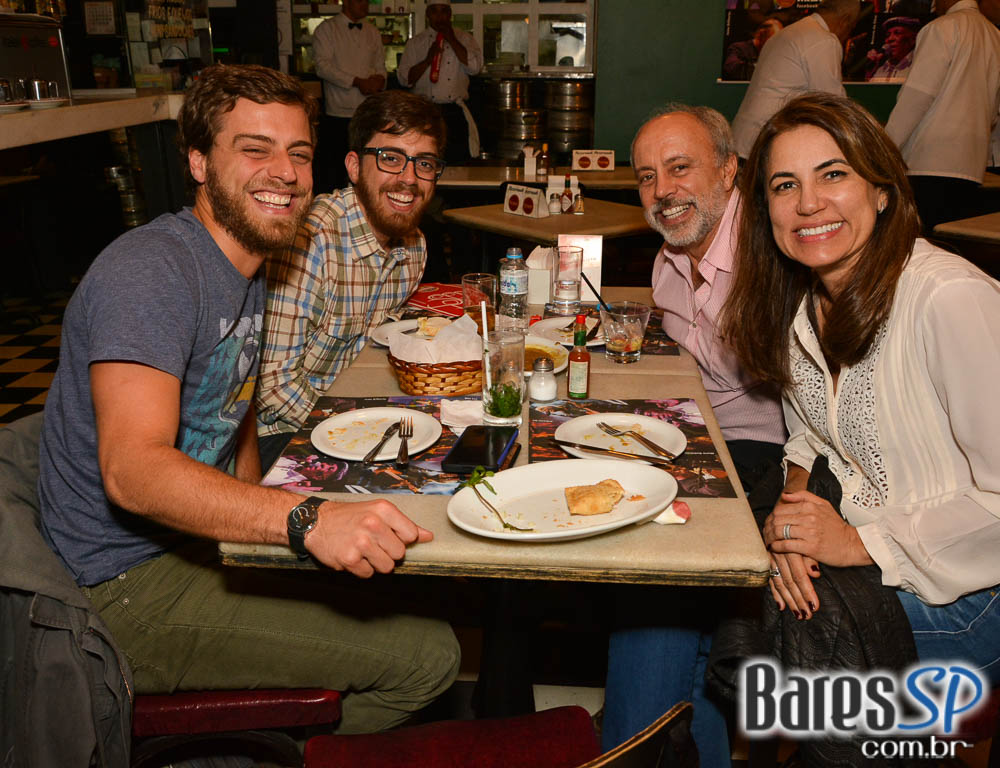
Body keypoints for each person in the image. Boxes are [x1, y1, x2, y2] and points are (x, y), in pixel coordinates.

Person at [37, 64, 459, 735]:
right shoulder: (152, 272)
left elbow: (231, 398)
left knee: (415, 575)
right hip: (119, 588)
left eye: (297, 153)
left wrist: (253, 512)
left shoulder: (247, 258)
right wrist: (301, 519)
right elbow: (132, 470)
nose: (286, 173)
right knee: (431, 656)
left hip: (193, 545)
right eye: (254, 149)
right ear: (199, 161)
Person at [720, 90, 1000, 694]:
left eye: (833, 174)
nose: (809, 203)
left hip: (976, 588)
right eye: (784, 185)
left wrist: (856, 542)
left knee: (756, 635)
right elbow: (806, 438)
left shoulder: (947, 299)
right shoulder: (800, 305)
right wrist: (793, 527)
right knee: (699, 605)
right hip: (871, 565)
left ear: (882, 189)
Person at [601, 104, 787, 765]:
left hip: (781, 453)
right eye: (647, 177)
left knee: (657, 583)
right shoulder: (668, 263)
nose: (662, 191)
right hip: (703, 441)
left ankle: (633, 743)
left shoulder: (776, 254)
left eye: (680, 168)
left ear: (730, 170)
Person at [255, 90, 446, 468]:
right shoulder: (311, 242)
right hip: (282, 435)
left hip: (355, 415)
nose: (409, 179)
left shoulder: (414, 247)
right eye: (391, 158)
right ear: (355, 166)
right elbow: (273, 386)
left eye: (424, 163)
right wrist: (356, 432)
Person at [886, 0, 1000, 234]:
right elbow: (994, 108)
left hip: (928, 161)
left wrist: (884, 148)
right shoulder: (995, 34)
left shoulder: (941, 28)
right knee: (949, 244)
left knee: (918, 245)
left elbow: (916, 97)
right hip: (971, 165)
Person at [731, 0, 861, 158]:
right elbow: (833, 103)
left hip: (743, 140)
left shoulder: (789, 32)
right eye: (852, 27)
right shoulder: (823, 40)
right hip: (765, 145)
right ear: (845, 21)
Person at [312, 0, 387, 192]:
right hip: (338, 114)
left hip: (368, 113)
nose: (365, 4)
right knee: (335, 172)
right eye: (360, 0)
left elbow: (380, 64)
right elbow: (323, 67)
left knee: (367, 168)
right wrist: (356, 81)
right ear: (346, 2)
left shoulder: (372, 31)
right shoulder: (327, 29)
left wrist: (379, 78)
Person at [397, 0, 483, 163]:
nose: (440, 17)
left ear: (450, 14)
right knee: (426, 160)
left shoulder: (465, 39)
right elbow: (404, 79)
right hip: (423, 112)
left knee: (458, 163)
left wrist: (452, 39)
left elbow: (475, 68)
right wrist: (428, 59)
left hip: (454, 112)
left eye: (444, 11)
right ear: (428, 14)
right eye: (435, 12)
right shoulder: (416, 43)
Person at [865, 15, 919, 80]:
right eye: (887, 35)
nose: (890, 39)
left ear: (913, 39)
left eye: (897, 33)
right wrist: (869, 73)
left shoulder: (918, 66)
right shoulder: (883, 69)